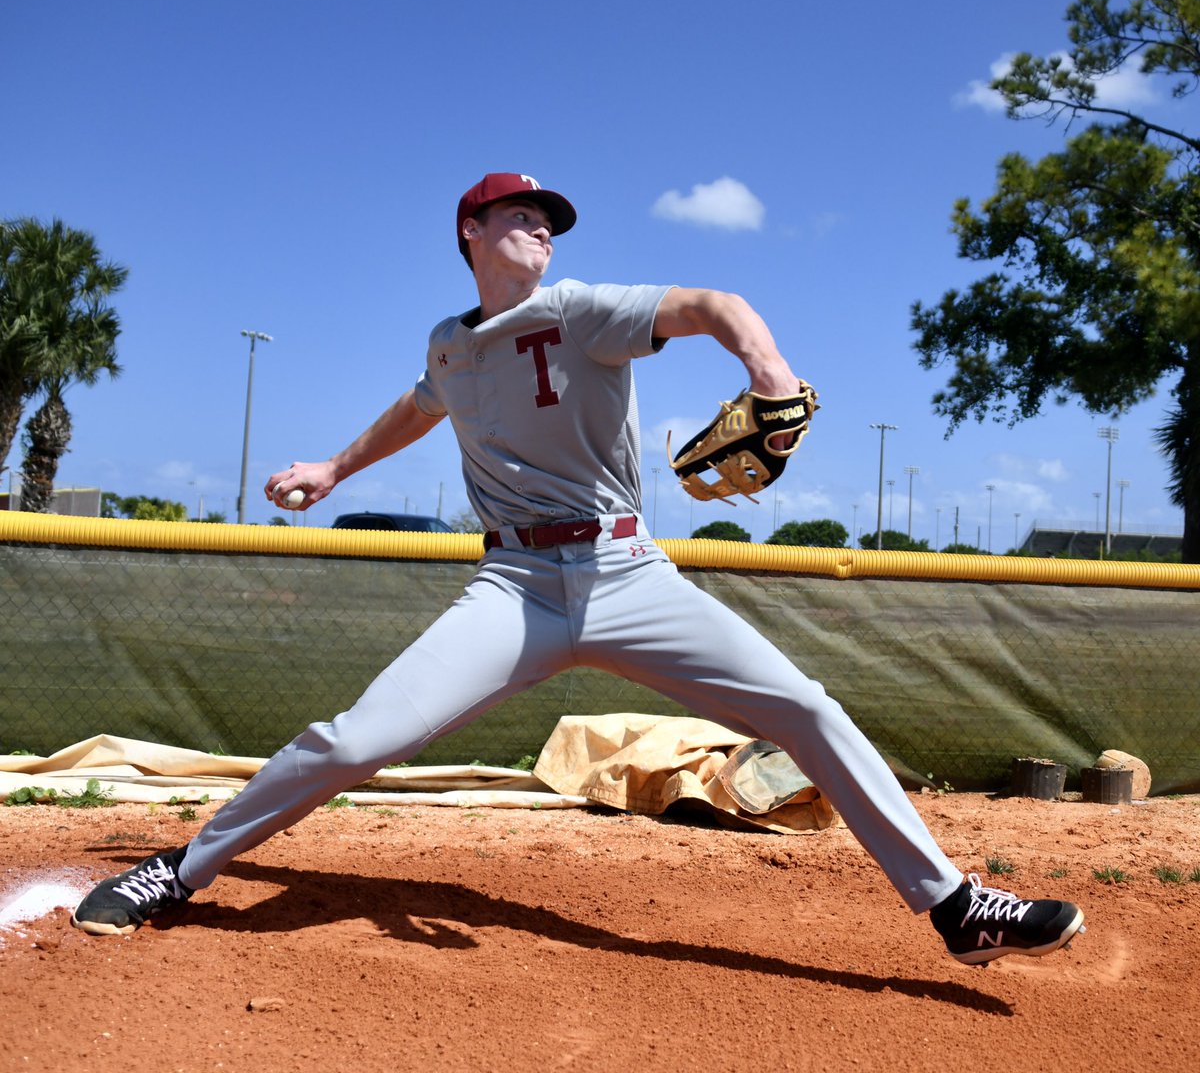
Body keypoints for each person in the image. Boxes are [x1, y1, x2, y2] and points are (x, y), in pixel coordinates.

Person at [72, 172, 1085, 966]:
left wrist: (766, 366)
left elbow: (712, 301)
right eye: (519, 214)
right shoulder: (450, 343)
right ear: (470, 233)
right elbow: (422, 403)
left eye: (549, 218)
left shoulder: (587, 309)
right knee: (353, 741)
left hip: (629, 576)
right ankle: (183, 868)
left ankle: (957, 908)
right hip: (512, 590)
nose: (541, 228)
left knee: (805, 708)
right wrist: (334, 467)